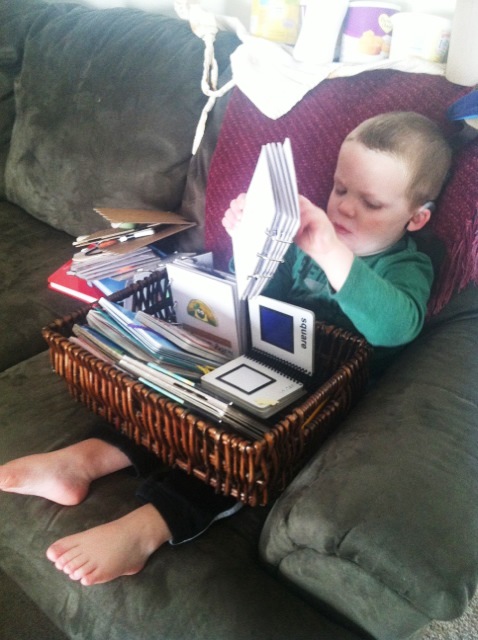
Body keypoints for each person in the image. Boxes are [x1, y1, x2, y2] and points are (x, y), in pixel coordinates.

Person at [0, 111, 452, 587]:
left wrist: (329, 252)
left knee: (233, 452)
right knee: (175, 394)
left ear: (416, 217)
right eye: (340, 190)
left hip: (319, 399)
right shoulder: (307, 238)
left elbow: (395, 327)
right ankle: (86, 459)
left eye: (372, 203)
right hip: (258, 357)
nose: (345, 210)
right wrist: (252, 238)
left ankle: (147, 528)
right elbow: (256, 288)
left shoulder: (407, 265)